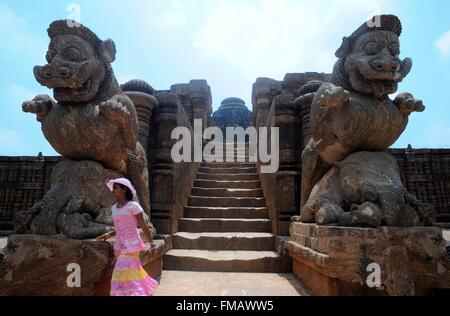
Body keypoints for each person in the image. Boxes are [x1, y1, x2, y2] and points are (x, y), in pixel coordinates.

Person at [97, 178, 158, 296]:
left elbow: (144, 226)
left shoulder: (133, 206)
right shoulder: (114, 208)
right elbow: (119, 227)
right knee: (132, 275)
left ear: (124, 189)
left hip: (132, 245)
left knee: (119, 275)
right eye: (113, 188)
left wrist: (152, 244)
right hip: (121, 246)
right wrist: (107, 235)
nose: (113, 191)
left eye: (116, 188)